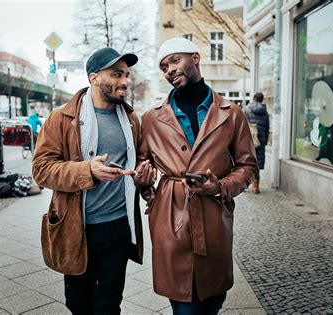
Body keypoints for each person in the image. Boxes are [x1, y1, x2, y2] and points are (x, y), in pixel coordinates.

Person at [134, 38, 259, 314]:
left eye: (175, 61)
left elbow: (248, 167)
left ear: (196, 58)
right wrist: (145, 184)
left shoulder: (232, 113)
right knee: (184, 304)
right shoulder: (152, 119)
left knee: (213, 300)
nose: (169, 70)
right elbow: (143, 163)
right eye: (164, 67)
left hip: (214, 219)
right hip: (170, 216)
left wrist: (220, 187)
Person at [32, 47, 144, 315]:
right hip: (77, 227)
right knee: (78, 304)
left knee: (108, 305)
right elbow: (41, 169)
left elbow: (137, 162)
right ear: (94, 77)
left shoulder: (131, 119)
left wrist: (143, 175)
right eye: (116, 74)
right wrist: (87, 171)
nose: (125, 82)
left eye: (126, 75)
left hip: (118, 226)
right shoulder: (61, 118)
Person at [245, 92, 270, 194]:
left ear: (254, 98)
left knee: (246, 161)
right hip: (260, 140)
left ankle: (245, 183)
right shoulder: (265, 112)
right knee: (257, 163)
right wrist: (265, 140)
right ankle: (255, 186)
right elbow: (267, 128)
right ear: (262, 99)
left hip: (249, 139)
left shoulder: (247, 109)